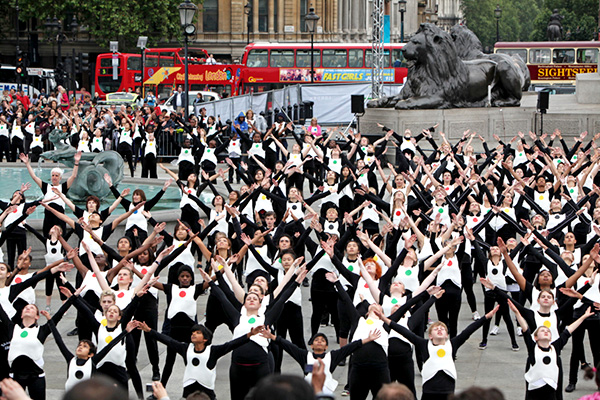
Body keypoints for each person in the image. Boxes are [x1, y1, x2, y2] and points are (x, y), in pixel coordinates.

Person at [509, 300, 596, 400]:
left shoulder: (556, 347)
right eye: (542, 330)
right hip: (534, 392)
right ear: (536, 337)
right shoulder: (533, 348)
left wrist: (584, 317)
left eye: (548, 331)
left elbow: (569, 330)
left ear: (551, 337)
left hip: (551, 392)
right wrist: (516, 313)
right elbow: (525, 329)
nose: (546, 332)